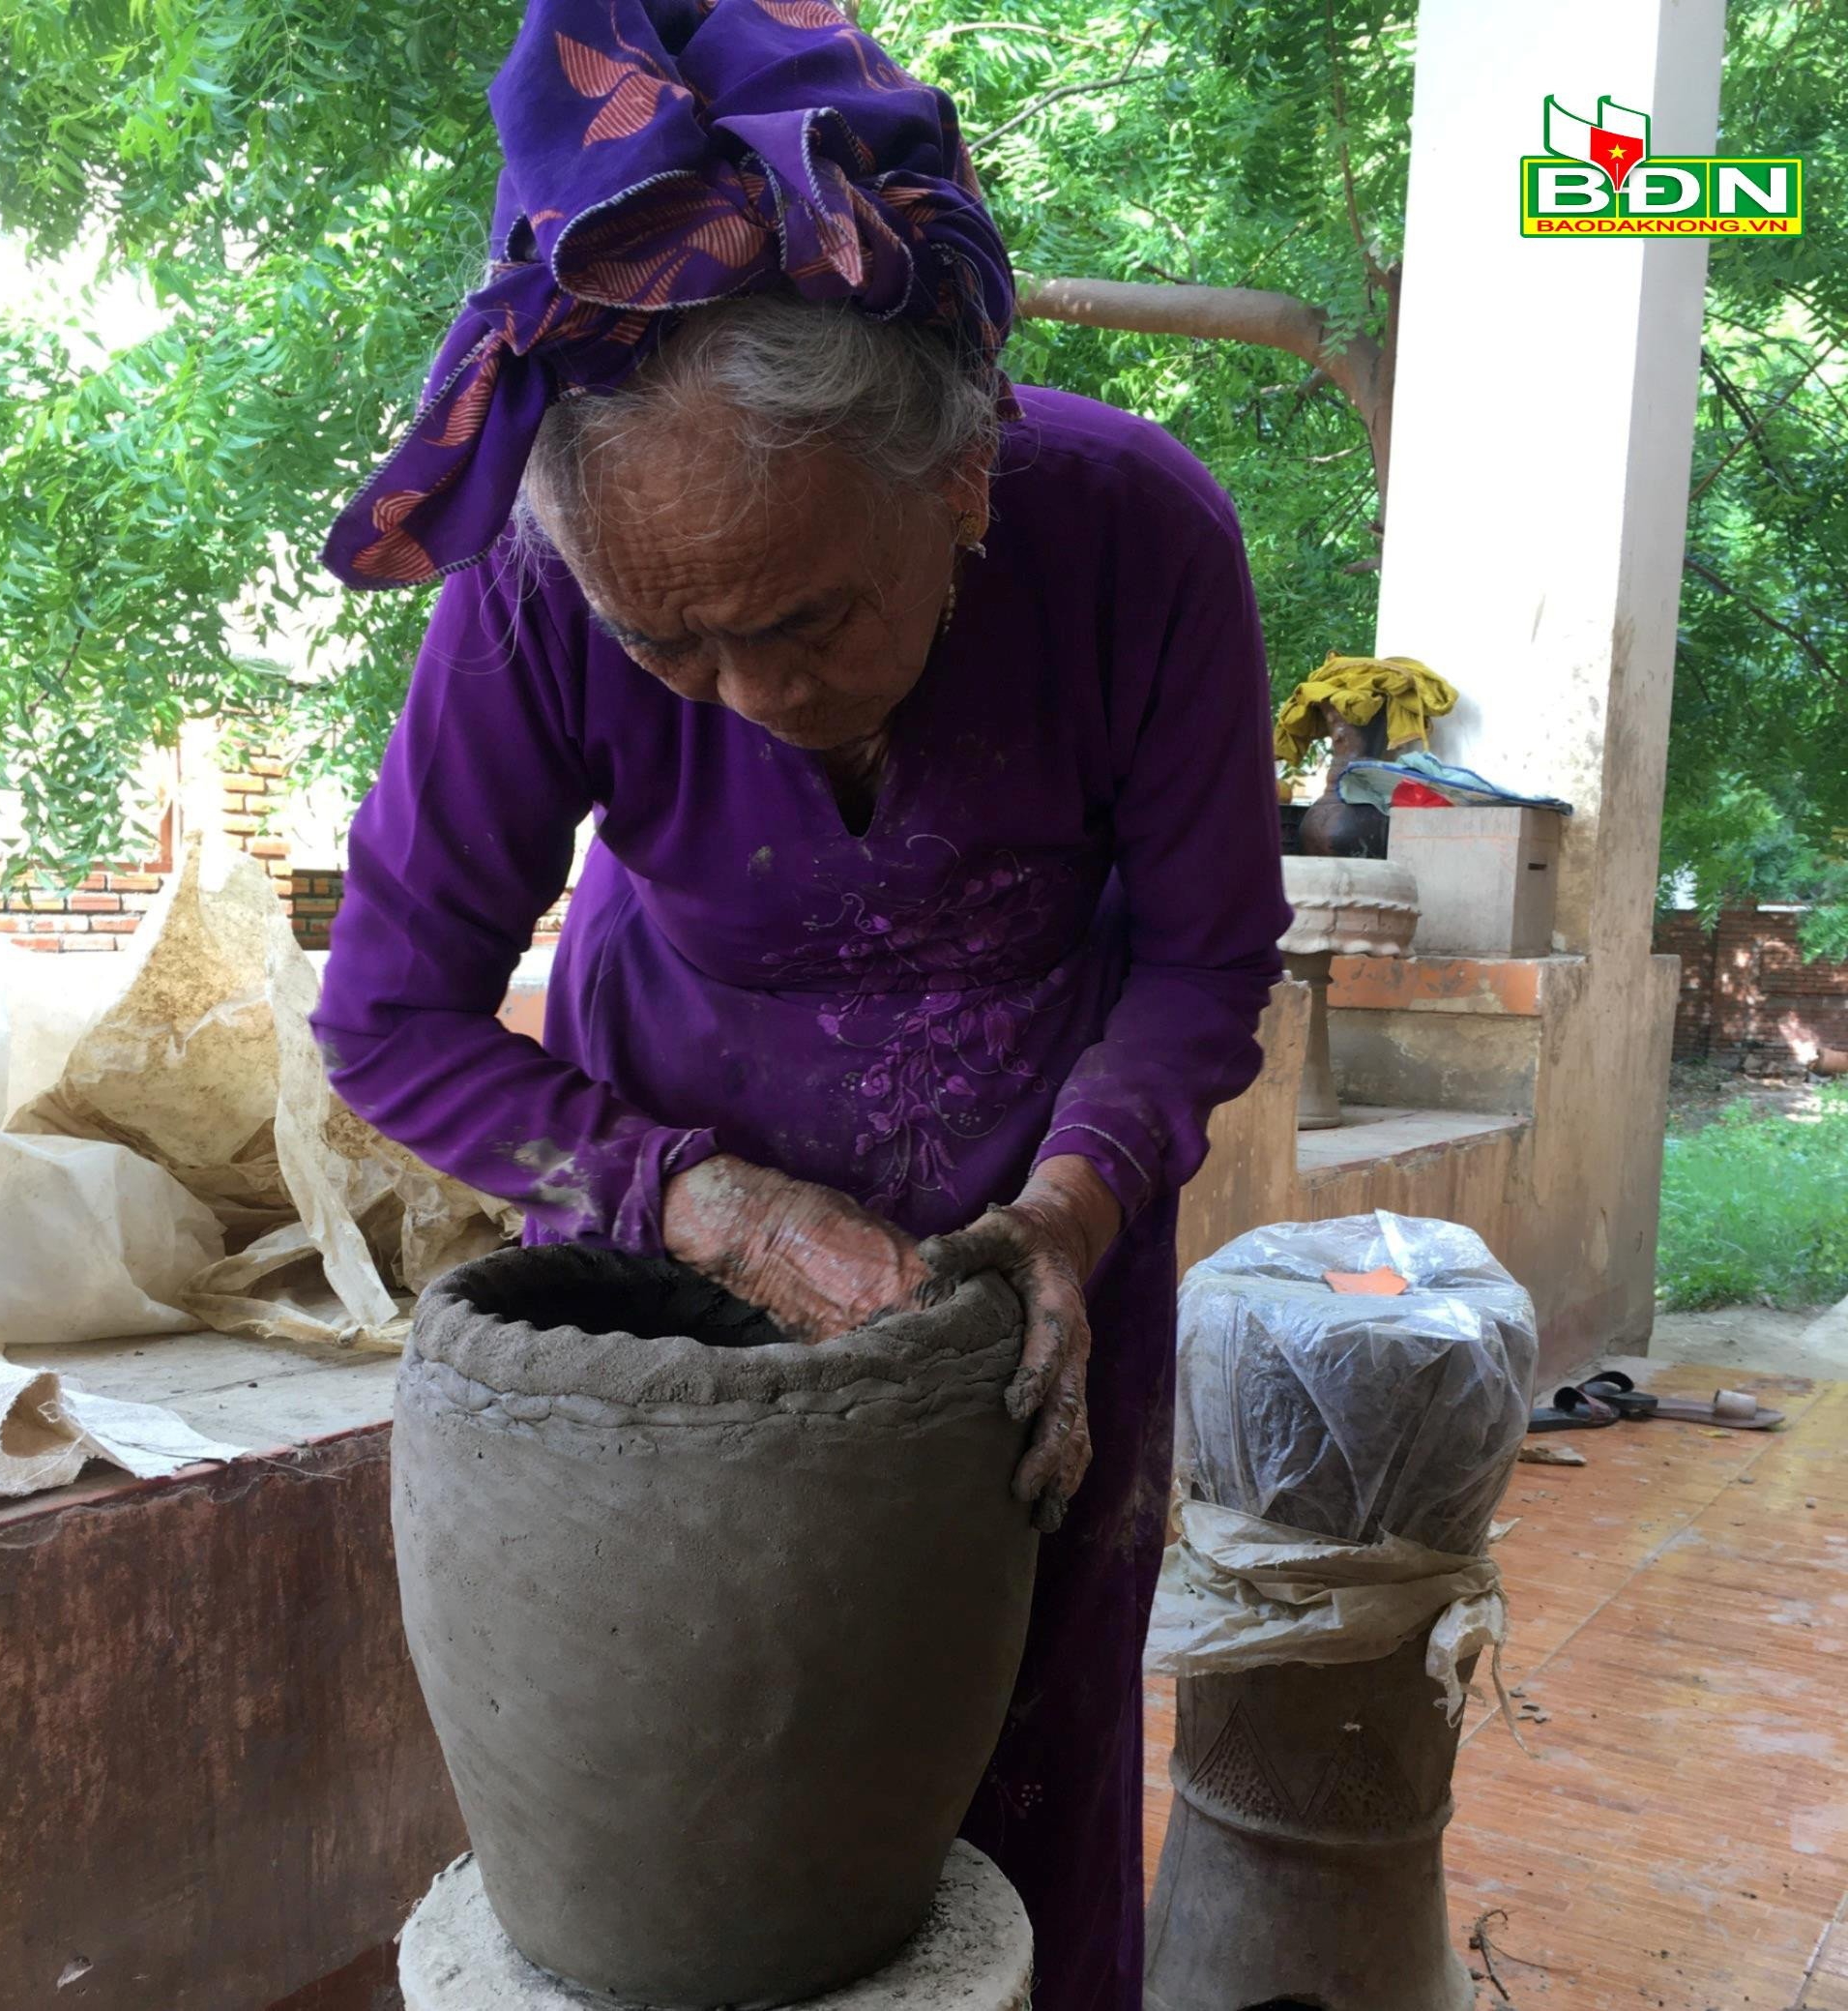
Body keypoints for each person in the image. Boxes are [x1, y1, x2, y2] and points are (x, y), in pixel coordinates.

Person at [313, 3, 1288, 2004]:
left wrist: (1075, 1212)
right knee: (685, 1777)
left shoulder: (1136, 540)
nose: (751, 692)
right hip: (670, 1183)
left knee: (1017, 1764)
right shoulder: (535, 587)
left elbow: (1203, 958)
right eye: (670, 645)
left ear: (960, 478)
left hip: (1037, 1213)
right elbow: (388, 1009)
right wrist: (713, 1205)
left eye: (809, 618)